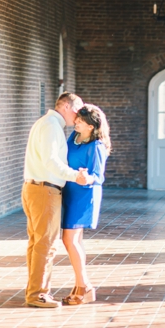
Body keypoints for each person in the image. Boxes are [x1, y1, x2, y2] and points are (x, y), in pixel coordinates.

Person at [22, 91, 88, 308]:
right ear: (66, 107)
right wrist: (74, 176)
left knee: (37, 243)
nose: (78, 117)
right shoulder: (51, 125)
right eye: (77, 111)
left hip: (35, 188)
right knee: (46, 245)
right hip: (45, 190)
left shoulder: (46, 122)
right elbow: (51, 161)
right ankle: (38, 294)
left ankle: (34, 291)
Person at [60, 103, 111, 306]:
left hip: (84, 195)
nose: (76, 122)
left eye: (80, 121)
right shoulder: (73, 137)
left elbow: (98, 177)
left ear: (91, 126)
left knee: (69, 240)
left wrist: (85, 177)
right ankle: (80, 285)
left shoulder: (97, 146)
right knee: (75, 241)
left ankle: (84, 286)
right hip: (69, 191)